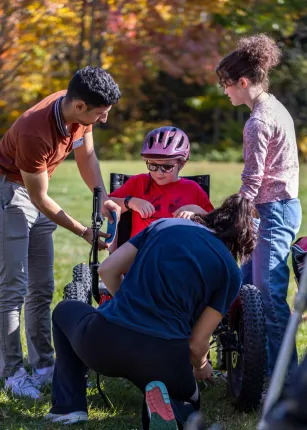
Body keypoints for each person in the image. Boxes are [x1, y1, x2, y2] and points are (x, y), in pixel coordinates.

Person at [46, 193, 256, 428]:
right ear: (240, 243)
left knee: (64, 310)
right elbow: (197, 344)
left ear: (212, 217)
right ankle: (170, 409)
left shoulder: (165, 225)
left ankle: (69, 407)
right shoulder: (231, 271)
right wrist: (200, 367)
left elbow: (107, 270)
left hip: (105, 342)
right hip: (164, 357)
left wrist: (126, 302)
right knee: (186, 400)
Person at [0, 66, 121, 399]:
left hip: (38, 191)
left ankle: (42, 364)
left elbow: (87, 157)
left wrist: (104, 198)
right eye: (101, 113)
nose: (105, 120)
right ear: (79, 106)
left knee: (41, 286)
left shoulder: (80, 118)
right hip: (10, 192)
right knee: (13, 287)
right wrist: (83, 230)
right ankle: (12, 372)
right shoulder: (33, 130)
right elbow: (37, 198)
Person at [216, 34, 302, 383]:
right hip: (277, 208)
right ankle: (258, 372)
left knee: (269, 302)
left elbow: (252, 180)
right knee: (250, 293)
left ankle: (283, 383)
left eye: (226, 85)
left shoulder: (258, 122)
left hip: (273, 212)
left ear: (243, 82)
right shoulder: (274, 106)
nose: (225, 92)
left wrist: (230, 215)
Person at [109, 126, 214, 238]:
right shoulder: (139, 182)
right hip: (142, 250)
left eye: (167, 167)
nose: (159, 172)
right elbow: (106, 205)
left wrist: (198, 212)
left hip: (179, 250)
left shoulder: (193, 189)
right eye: (153, 165)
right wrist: (130, 202)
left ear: (181, 164)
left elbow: (215, 224)